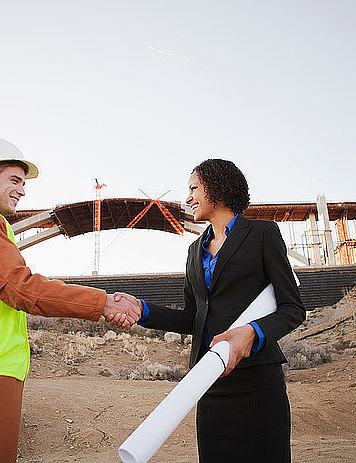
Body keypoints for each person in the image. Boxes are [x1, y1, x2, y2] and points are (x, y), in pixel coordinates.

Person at [0, 138, 139, 463]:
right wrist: (102, 302)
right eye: (14, 180)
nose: (22, 190)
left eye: (23, 183)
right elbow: (20, 288)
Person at [112, 159, 305, 462]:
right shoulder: (193, 251)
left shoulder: (263, 234)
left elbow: (293, 308)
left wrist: (252, 333)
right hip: (209, 382)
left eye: (193, 188)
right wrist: (142, 309)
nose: (187, 198)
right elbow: (193, 318)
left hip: (258, 383)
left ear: (217, 187)